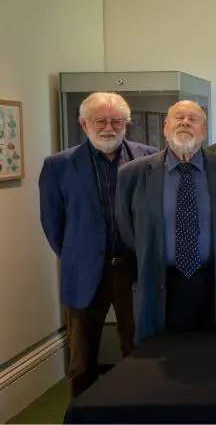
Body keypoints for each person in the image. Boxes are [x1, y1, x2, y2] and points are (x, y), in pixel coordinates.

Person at [38, 92, 157, 399]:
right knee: (81, 362)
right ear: (83, 123)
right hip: (85, 273)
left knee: (140, 352)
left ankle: (140, 413)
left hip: (134, 269)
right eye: (100, 120)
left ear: (126, 124)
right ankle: (82, 416)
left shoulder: (149, 159)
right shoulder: (58, 166)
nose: (108, 127)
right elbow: (53, 222)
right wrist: (76, 256)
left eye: (116, 121)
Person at [116, 100, 216, 344]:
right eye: (178, 117)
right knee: (163, 365)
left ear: (205, 131)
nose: (185, 122)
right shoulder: (132, 174)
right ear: (166, 127)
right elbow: (127, 229)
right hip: (162, 286)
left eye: (193, 118)